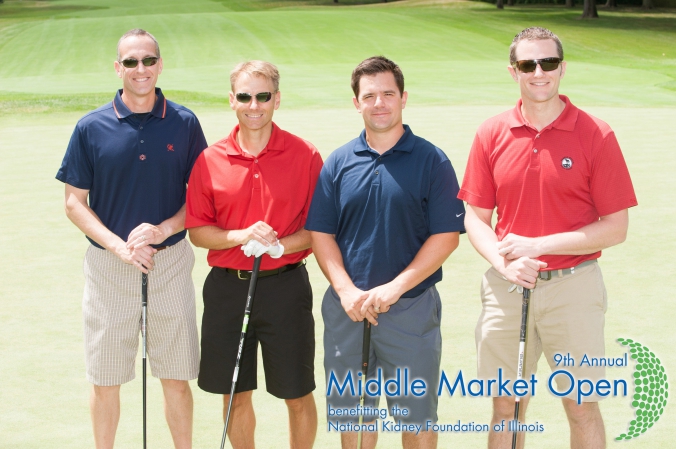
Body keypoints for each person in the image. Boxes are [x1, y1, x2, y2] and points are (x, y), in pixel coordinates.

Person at [458, 27, 638, 449]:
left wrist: (538, 246)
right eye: (527, 64)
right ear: (513, 71)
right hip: (506, 286)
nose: (539, 72)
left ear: (562, 67)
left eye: (548, 62)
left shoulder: (596, 134)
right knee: (506, 405)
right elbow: (475, 218)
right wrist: (505, 263)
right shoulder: (491, 133)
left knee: (581, 405)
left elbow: (616, 227)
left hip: (574, 286)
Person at [56, 29, 208, 448]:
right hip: (109, 266)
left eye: (148, 60)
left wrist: (164, 230)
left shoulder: (185, 122)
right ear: (117, 67)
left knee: (176, 377)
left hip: (170, 262)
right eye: (130, 62)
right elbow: (74, 202)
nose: (139, 69)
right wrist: (118, 246)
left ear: (159, 65)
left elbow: (199, 199)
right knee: (105, 379)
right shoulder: (91, 127)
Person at [306, 56, 465, 449]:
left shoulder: (432, 161)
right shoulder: (338, 163)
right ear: (356, 102)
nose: (379, 103)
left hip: (409, 308)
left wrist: (394, 288)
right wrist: (344, 290)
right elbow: (321, 233)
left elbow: (446, 236)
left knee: (416, 417)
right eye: (369, 95)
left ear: (404, 98)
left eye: (388, 94)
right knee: (354, 415)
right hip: (349, 310)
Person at [185, 60, 323, 449]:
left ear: (276, 99)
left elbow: (319, 230)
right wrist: (239, 235)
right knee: (235, 391)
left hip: (286, 287)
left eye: (263, 96)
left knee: (296, 393)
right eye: (245, 96)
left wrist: (281, 244)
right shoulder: (210, 160)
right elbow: (198, 231)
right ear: (232, 100)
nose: (254, 105)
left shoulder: (305, 155)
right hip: (228, 289)